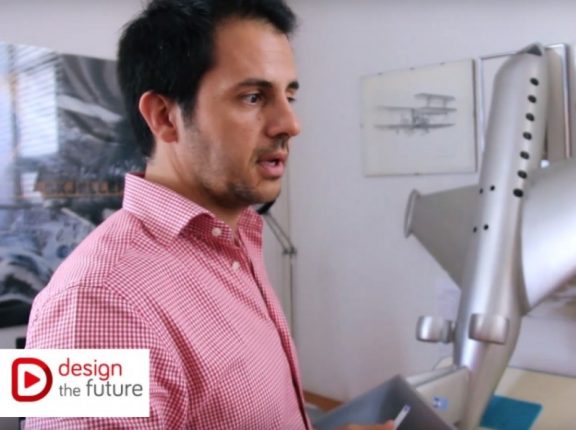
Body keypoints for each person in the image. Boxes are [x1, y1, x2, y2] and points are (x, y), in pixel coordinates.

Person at [25, 1, 392, 429]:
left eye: (289, 96)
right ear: (165, 117)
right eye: (253, 97)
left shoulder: (235, 242)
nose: (290, 124)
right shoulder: (94, 303)